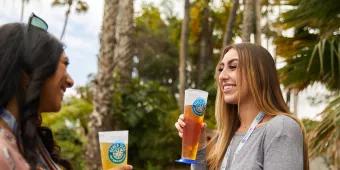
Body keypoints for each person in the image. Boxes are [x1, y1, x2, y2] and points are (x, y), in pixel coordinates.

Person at [0, 14, 133, 170]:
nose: (71, 81)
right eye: (65, 63)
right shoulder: (4, 153)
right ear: (29, 72)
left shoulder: (25, 140)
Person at [175, 43, 309, 170]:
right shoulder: (225, 137)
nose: (222, 76)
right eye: (221, 69)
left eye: (233, 67)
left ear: (259, 74)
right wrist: (199, 148)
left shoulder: (281, 127)